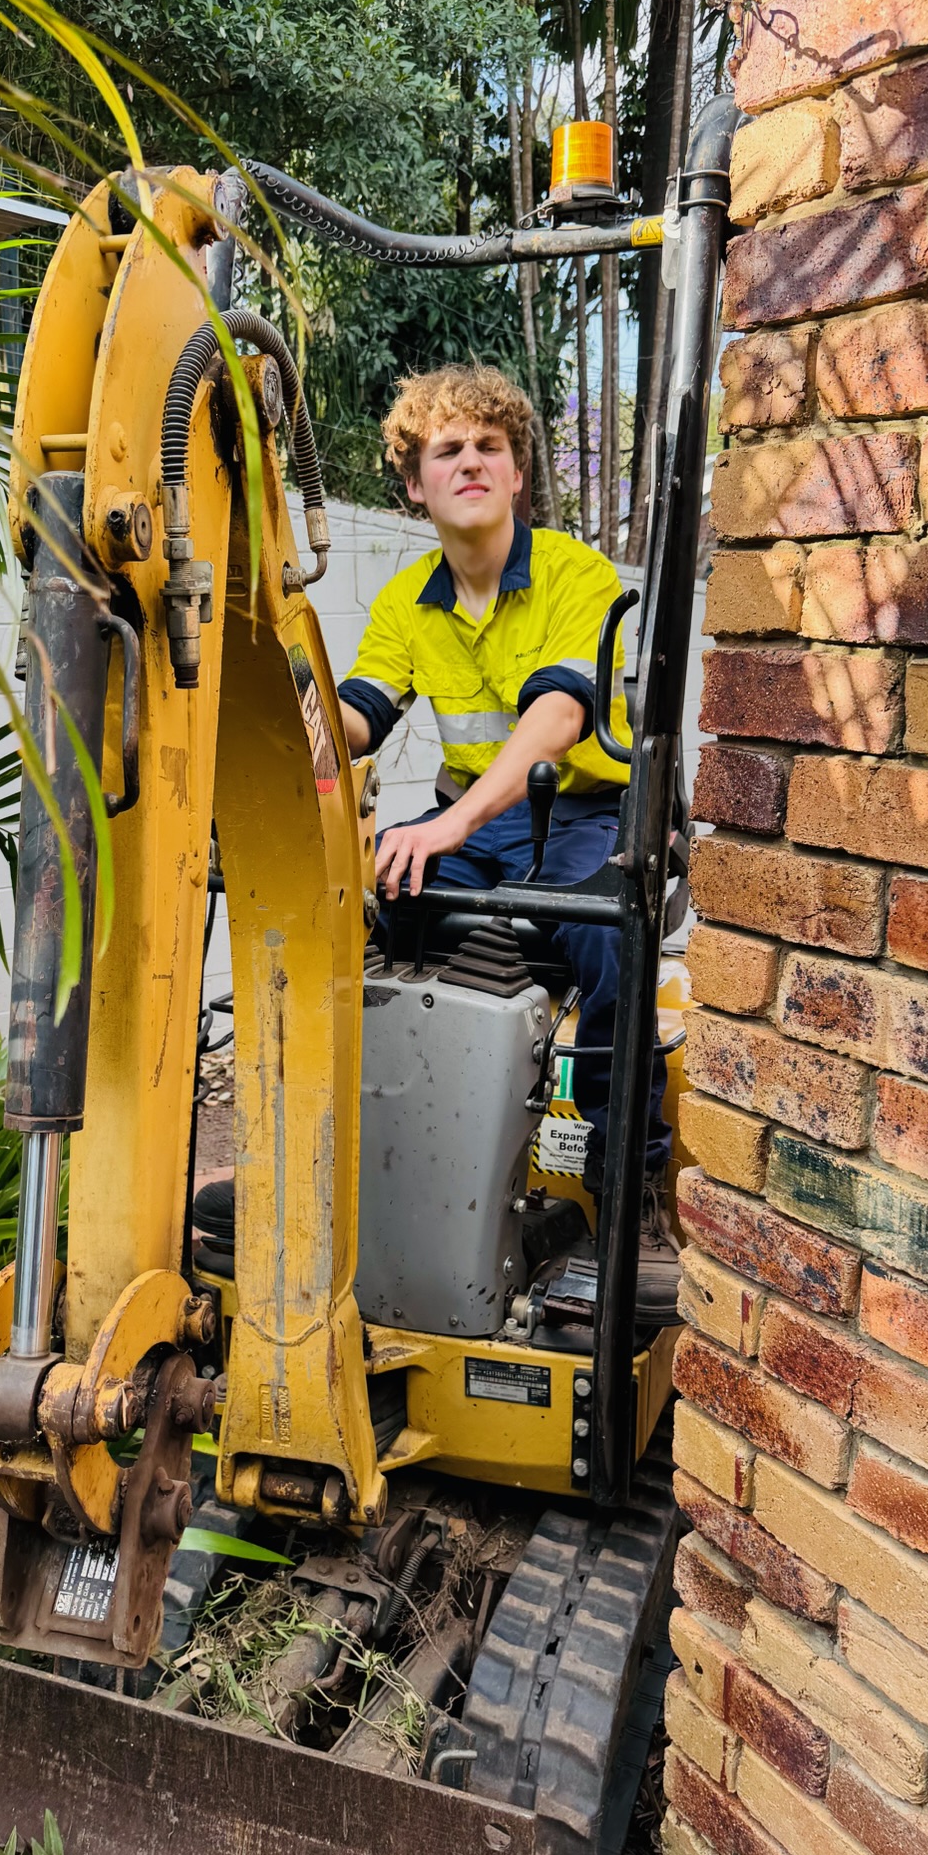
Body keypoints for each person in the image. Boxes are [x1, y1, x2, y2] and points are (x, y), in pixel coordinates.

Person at [335, 362, 675, 1265]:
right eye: (447, 449)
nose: (470, 461)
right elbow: (360, 716)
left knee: (608, 934)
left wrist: (447, 826)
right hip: (472, 825)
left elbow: (559, 717)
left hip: (583, 816)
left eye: (489, 445)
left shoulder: (576, 574)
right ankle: (376, 1147)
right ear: (416, 485)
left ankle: (628, 1186)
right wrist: (288, 713)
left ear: (518, 473)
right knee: (364, 904)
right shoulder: (407, 600)